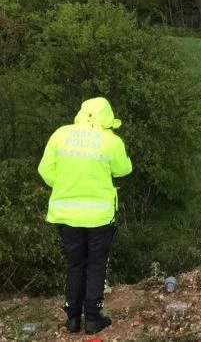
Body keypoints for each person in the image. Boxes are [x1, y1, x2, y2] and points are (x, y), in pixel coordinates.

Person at [37, 97, 132, 335]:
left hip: (66, 214)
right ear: (107, 117)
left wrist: (66, 184)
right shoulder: (110, 141)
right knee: (96, 265)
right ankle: (92, 318)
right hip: (99, 216)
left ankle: (72, 319)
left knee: (74, 264)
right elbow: (124, 169)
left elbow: (45, 170)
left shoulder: (60, 134)